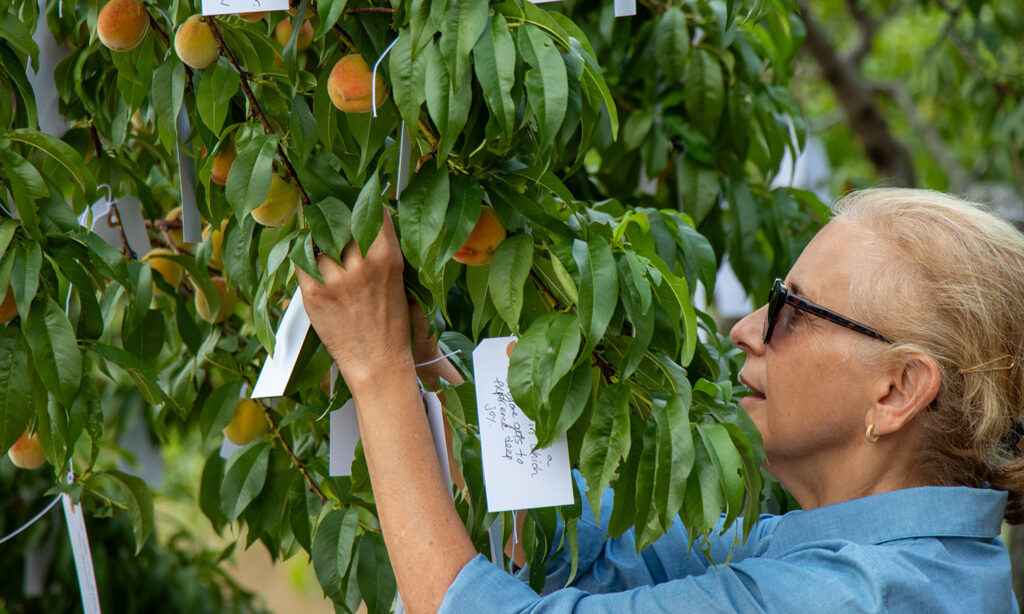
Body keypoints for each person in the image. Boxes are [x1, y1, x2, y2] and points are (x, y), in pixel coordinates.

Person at [296, 188, 1024, 613]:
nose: (745, 331)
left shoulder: (855, 596)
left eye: (790, 310)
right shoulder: (840, 542)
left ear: (898, 390)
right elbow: (568, 541)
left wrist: (378, 369)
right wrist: (424, 362)